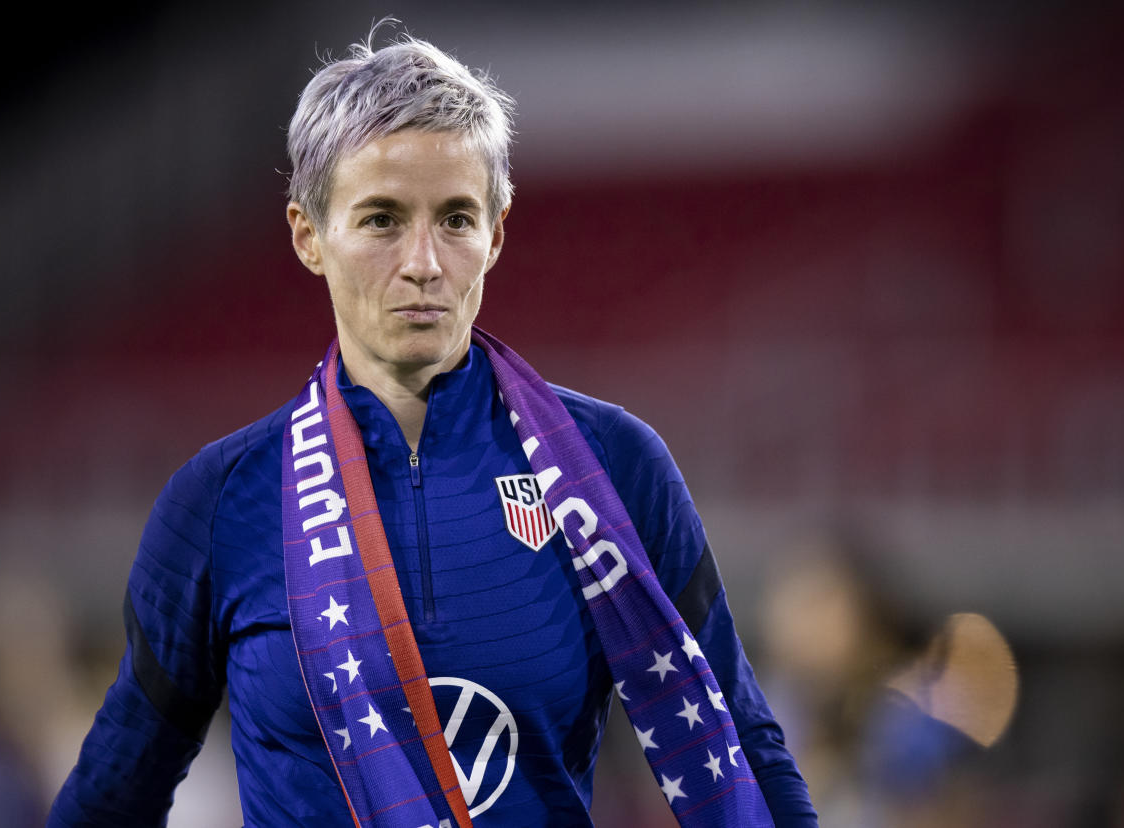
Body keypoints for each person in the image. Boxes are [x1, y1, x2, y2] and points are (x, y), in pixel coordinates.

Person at [49, 24, 817, 828]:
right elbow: (112, 790)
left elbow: (743, 743)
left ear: (496, 233)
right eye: (381, 219)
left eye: (455, 218)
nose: (423, 262)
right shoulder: (220, 500)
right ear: (308, 236)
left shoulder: (614, 466)